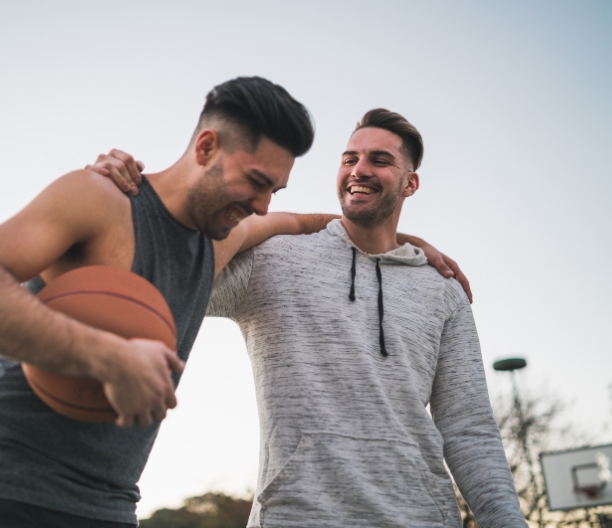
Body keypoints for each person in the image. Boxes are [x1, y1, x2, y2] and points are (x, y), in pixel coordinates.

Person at [0, 76, 320, 528]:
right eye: (256, 182)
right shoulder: (100, 198)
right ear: (206, 147)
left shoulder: (219, 241)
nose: (264, 205)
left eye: (274, 191)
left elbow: (301, 222)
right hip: (11, 488)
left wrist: (399, 242)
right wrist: (110, 358)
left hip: (110, 504)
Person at [204, 109, 526, 527]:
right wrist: (298, 222)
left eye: (380, 160)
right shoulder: (272, 259)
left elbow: (469, 429)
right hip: (297, 517)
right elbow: (180, 273)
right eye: (349, 158)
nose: (359, 170)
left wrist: (508, 521)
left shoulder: (443, 290)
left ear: (410, 183)